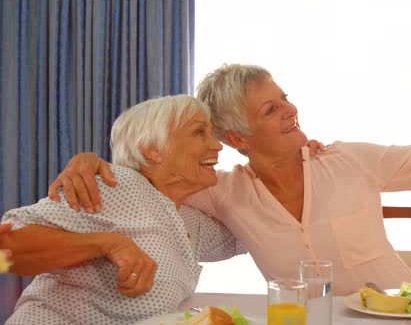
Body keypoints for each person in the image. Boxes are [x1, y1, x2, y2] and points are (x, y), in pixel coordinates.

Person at [49, 27, 411, 296]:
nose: (291, 110)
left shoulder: (349, 161)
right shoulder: (223, 193)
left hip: (403, 316)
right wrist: (87, 159)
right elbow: (151, 180)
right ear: (237, 138)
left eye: (285, 98)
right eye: (272, 109)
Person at [0, 95, 246, 324]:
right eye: (199, 132)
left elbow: (254, 234)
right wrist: (107, 244)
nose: (216, 145)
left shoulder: (187, 220)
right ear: (152, 149)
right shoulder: (116, 185)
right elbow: (6, 246)